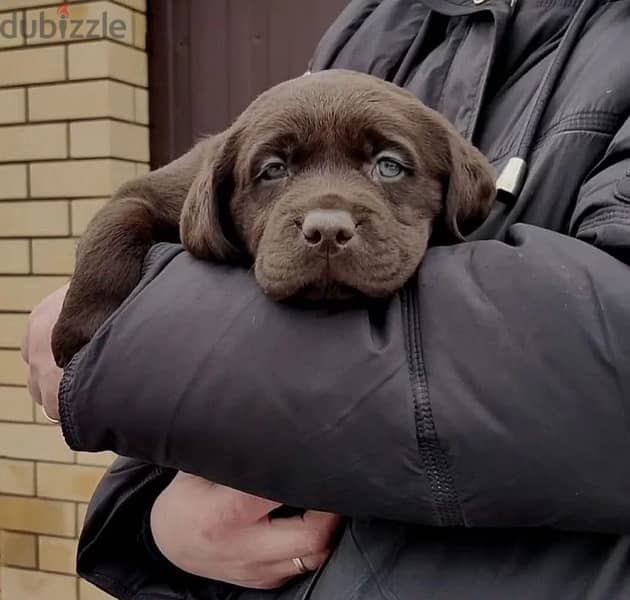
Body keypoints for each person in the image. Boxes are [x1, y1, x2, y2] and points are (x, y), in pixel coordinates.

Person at [22, 0, 630, 598]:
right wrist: (153, 516)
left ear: (459, 195)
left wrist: (126, 347)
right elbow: (135, 208)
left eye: (389, 166)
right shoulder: (376, 23)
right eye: (276, 170)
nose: (327, 220)